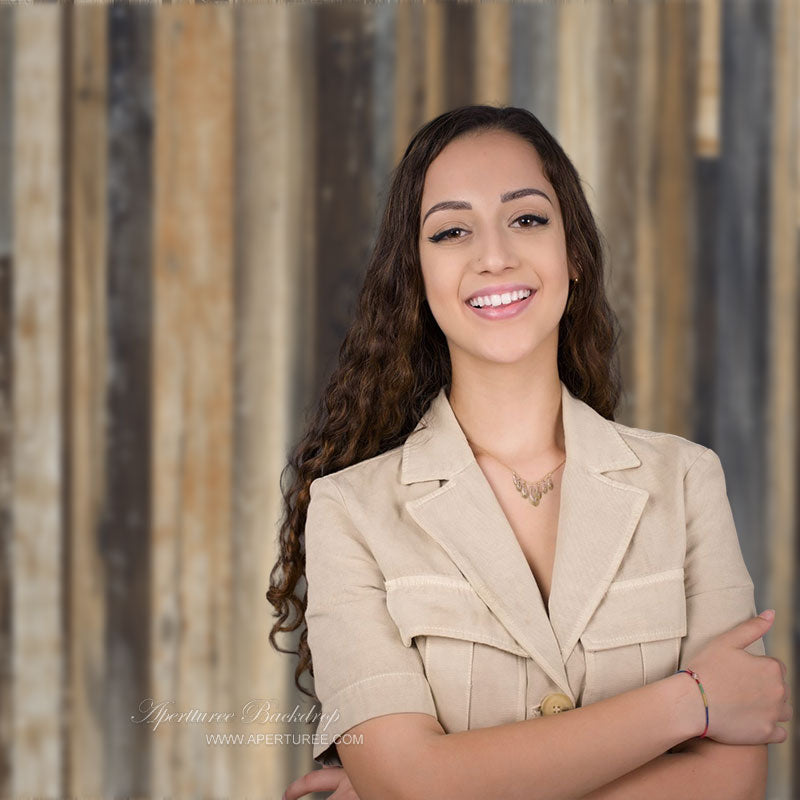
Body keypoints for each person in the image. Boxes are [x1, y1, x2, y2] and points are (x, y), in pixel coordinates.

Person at [268, 104, 791, 800]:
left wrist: (443, 783)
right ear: (416, 276)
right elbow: (408, 783)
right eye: (452, 231)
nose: (494, 256)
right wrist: (690, 701)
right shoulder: (348, 511)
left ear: (573, 253)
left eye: (527, 218)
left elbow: (733, 782)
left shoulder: (687, 481)